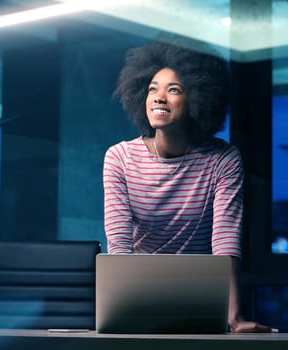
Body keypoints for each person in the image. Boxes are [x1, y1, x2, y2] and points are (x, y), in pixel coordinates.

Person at [103, 37, 275, 333]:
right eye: (152, 89)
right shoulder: (120, 158)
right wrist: (120, 311)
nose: (159, 98)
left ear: (197, 97)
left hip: (203, 304)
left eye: (173, 90)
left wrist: (233, 317)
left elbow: (226, 243)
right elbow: (119, 246)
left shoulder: (222, 159)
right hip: (138, 300)